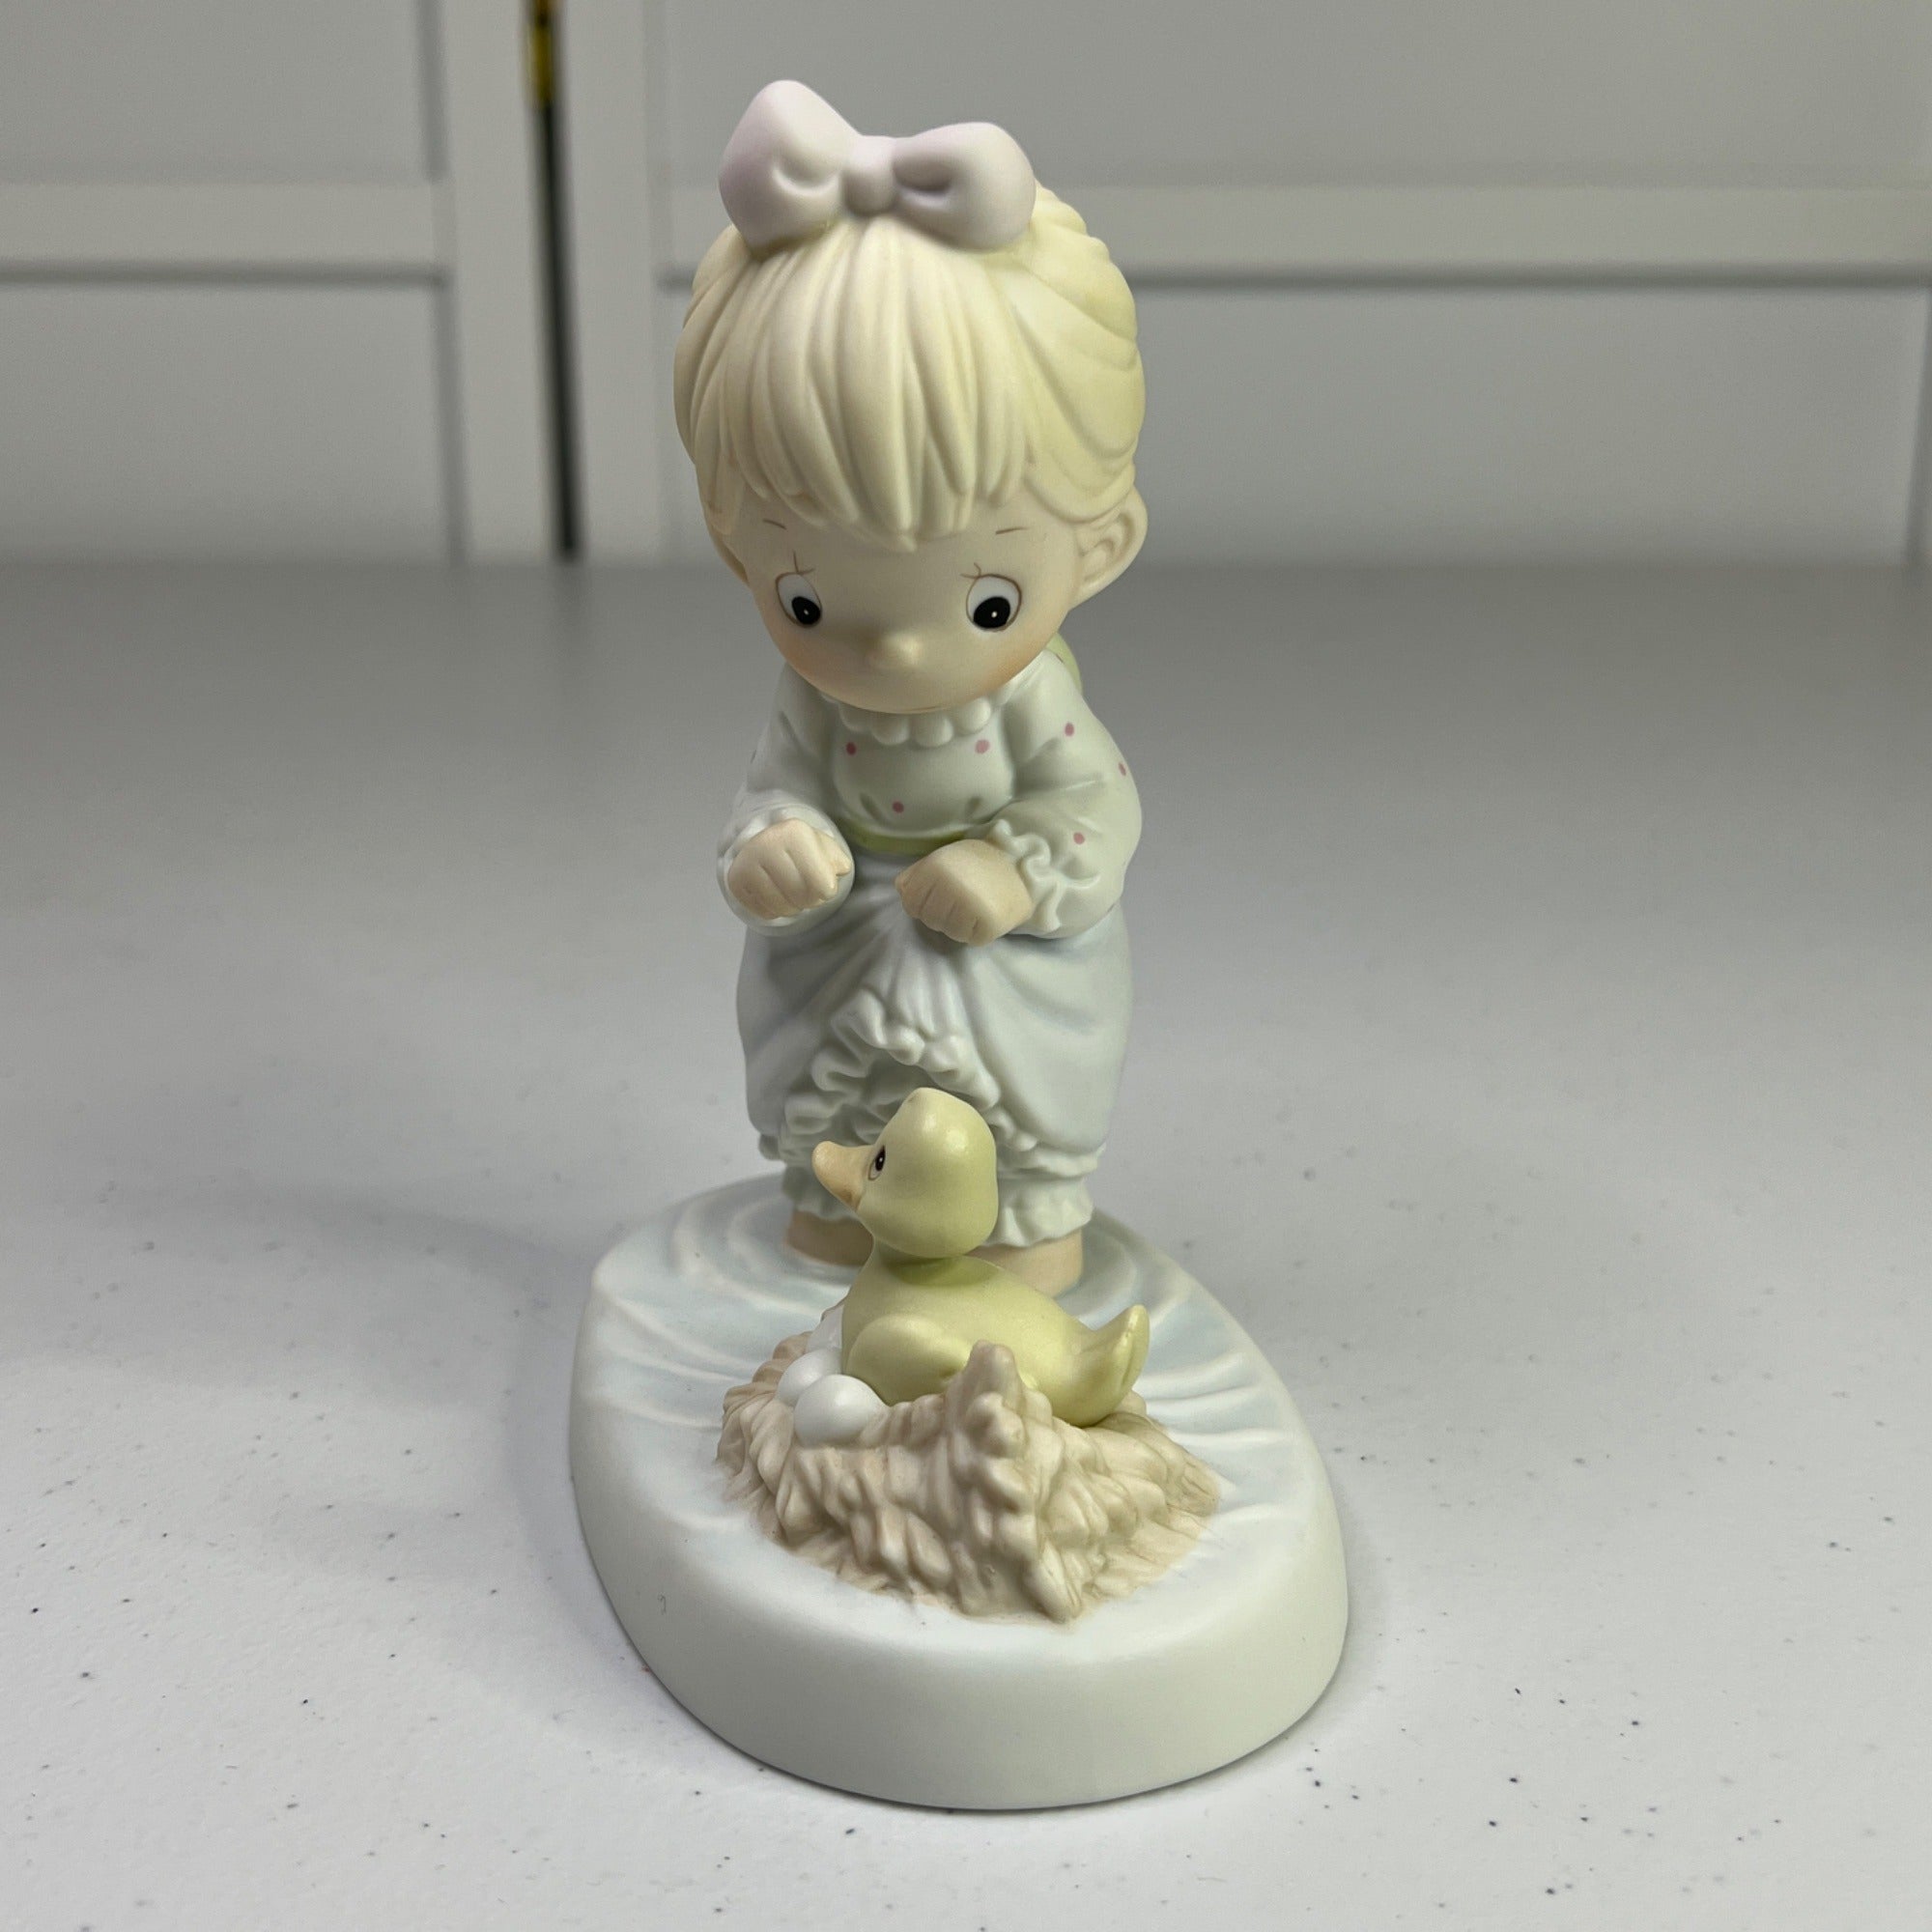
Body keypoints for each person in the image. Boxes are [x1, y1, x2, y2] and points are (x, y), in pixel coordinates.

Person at [674, 80, 1149, 1293]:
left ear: (1099, 546)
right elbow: (775, 786)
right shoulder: (813, 703)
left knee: (1010, 1128)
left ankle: (1023, 1233)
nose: (889, 652)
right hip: (841, 949)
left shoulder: (1025, 701)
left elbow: (1094, 804)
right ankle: (833, 1226)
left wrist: (1012, 871)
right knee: (834, 1133)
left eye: (984, 603)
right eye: (807, 600)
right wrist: (774, 846)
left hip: (997, 963)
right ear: (736, 548)